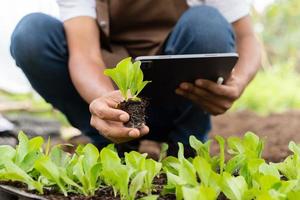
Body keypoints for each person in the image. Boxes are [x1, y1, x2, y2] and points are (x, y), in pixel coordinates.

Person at [10, 0, 261, 156]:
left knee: (207, 24)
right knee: (32, 35)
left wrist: (238, 81)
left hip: (179, 97)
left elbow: (247, 37)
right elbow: (84, 54)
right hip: (115, 90)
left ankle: (186, 142)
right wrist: (107, 104)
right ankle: (111, 140)